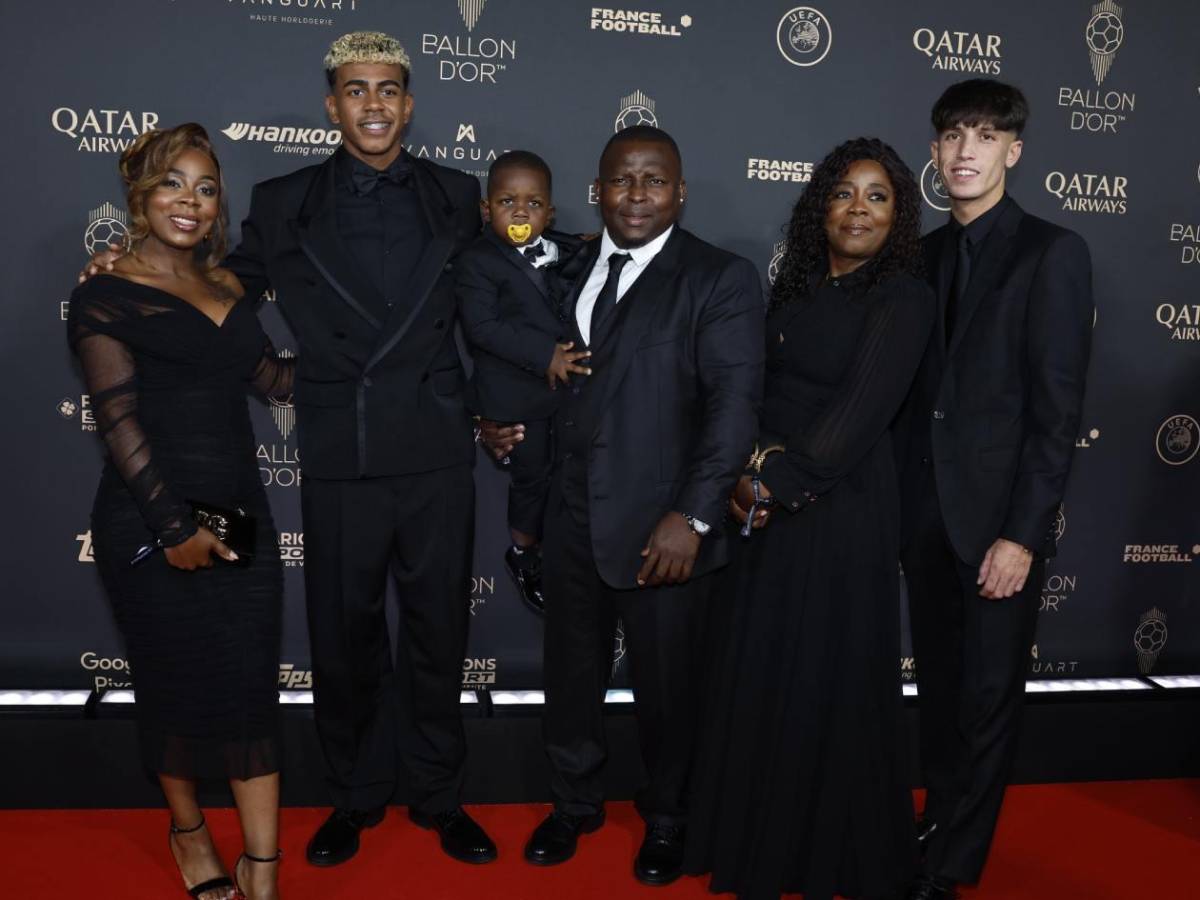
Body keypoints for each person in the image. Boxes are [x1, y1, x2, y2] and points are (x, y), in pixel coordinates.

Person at [83, 32, 496, 869]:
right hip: (340, 445)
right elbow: (213, 291)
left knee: (438, 630)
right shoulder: (282, 203)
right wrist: (125, 270)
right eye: (355, 89)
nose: (373, 104)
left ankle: (440, 796)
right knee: (343, 636)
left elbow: (503, 296)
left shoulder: (460, 193)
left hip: (435, 447)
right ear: (332, 104)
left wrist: (519, 395)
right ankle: (355, 795)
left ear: (409, 104)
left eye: (388, 90)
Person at [482, 125, 764, 887]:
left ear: (678, 192)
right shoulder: (561, 265)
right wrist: (491, 419)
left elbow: (733, 410)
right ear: (596, 191)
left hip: (663, 527)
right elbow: (516, 362)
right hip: (569, 519)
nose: (636, 194)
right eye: (621, 181)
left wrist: (695, 517)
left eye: (654, 181)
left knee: (669, 688)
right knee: (571, 676)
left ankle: (669, 815)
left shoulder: (720, 278)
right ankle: (574, 804)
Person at [682, 138, 935, 900]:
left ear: (899, 214)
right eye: (843, 193)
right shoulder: (792, 290)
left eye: (877, 196)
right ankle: (756, 837)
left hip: (838, 511)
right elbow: (751, 393)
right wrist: (745, 473)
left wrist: (766, 481)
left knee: (827, 675)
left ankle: (822, 852)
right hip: (761, 510)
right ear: (818, 206)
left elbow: (856, 420)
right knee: (763, 668)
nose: (857, 209)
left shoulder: (904, 298)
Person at [68, 123, 293, 900]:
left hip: (236, 508)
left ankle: (263, 869)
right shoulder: (103, 293)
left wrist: (375, 355)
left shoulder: (229, 287)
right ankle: (190, 832)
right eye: (173, 184)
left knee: (249, 685)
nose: (190, 202)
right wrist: (173, 530)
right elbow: (119, 419)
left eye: (204, 188)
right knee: (174, 682)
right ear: (140, 195)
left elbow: (275, 381)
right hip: (151, 516)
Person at [895, 79, 1093, 900]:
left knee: (985, 698)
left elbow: (1056, 415)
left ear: (1014, 149)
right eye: (952, 135)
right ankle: (936, 822)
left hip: (998, 527)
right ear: (936, 152)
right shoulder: (921, 256)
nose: (965, 150)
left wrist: (1022, 533)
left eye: (984, 135)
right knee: (940, 691)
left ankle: (950, 866)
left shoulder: (1052, 252)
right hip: (924, 519)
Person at [457, 150, 588, 614]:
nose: (519, 211)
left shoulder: (567, 250)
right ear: (486, 210)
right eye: (507, 200)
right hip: (512, 399)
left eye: (533, 203)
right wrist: (543, 354)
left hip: (564, 400)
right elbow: (482, 327)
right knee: (531, 476)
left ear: (548, 213)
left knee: (564, 478)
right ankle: (523, 552)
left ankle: (557, 552)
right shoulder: (476, 261)